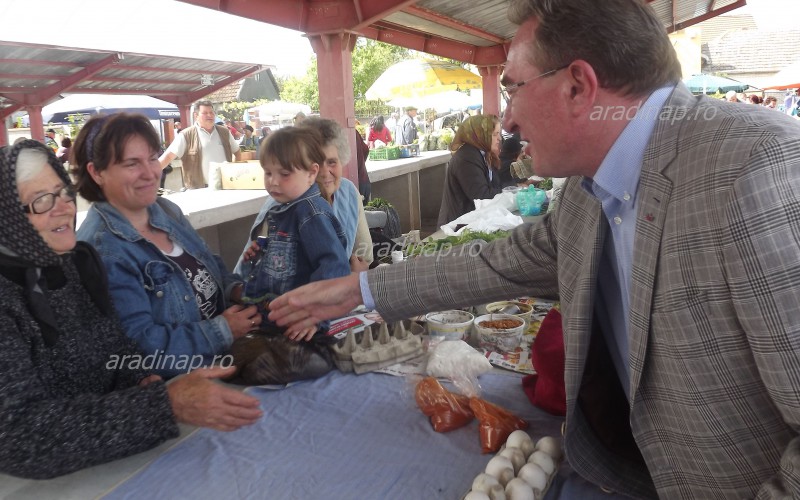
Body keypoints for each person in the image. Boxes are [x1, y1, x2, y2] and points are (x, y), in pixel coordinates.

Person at [267, 0, 800, 498]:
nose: (508, 120)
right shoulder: (588, 191)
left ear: (577, 86)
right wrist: (360, 288)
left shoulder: (760, 168)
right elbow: (497, 260)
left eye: (514, 87)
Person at [0, 140, 262, 479]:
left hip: (120, 464)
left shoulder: (73, 265)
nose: (63, 208)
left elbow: (115, 346)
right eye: (41, 201)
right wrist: (162, 403)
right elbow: (20, 437)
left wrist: (138, 379)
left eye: (62, 193)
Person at [74, 113, 261, 379]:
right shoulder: (104, 250)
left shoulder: (165, 210)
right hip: (186, 384)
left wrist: (237, 291)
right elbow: (139, 347)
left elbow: (210, 266)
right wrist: (223, 330)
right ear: (96, 172)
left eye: (152, 158)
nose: (150, 173)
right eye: (131, 164)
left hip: (229, 356)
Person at [239, 127, 350, 340]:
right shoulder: (283, 208)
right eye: (268, 173)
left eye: (284, 174)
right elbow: (288, 258)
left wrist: (316, 316)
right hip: (276, 318)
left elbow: (333, 266)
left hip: (300, 323)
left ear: (311, 173)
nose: (273, 181)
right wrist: (260, 254)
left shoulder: (310, 212)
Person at [236, 117, 373, 277]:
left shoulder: (348, 192)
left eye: (332, 162)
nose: (323, 172)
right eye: (315, 163)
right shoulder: (279, 206)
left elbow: (364, 256)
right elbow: (253, 273)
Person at [437, 114, 503, 226]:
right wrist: (510, 193)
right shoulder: (467, 158)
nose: (499, 138)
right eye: (494, 134)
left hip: (473, 222)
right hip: (457, 227)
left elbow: (495, 185)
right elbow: (481, 195)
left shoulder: (484, 154)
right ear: (480, 135)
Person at [158, 100, 241, 189]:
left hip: (225, 186)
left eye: (211, 112)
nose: (209, 115)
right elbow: (168, 157)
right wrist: (148, 174)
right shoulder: (186, 135)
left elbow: (237, 151)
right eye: (205, 113)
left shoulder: (224, 132)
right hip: (199, 189)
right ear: (196, 116)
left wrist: (233, 171)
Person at [355, 128, 371, 201]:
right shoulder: (354, 132)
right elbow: (366, 149)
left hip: (358, 184)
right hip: (364, 180)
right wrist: (361, 163)